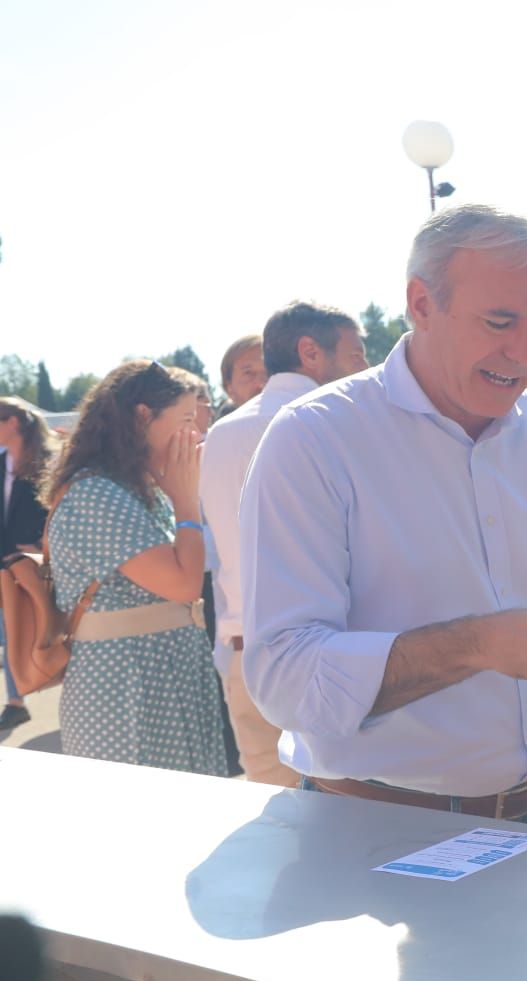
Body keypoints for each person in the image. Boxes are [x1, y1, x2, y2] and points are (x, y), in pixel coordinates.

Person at [240, 204, 527, 825]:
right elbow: (283, 674)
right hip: (374, 825)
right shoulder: (314, 439)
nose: (523, 352)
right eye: (500, 321)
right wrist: (481, 644)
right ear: (421, 304)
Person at [199, 301, 368, 787]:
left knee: (271, 825)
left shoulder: (220, 434)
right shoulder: (342, 422)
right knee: (346, 829)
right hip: (331, 659)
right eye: (357, 355)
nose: (365, 368)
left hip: (244, 656)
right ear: (310, 352)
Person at [44, 360, 226, 775]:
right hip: (126, 684)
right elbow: (184, 585)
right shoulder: (96, 494)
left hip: (160, 675)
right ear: (142, 415)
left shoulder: (136, 488)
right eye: (184, 419)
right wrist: (186, 502)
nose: (194, 433)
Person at [0, 398, 58, 731]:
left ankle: (20, 697)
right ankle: (17, 701)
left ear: (14, 423)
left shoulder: (48, 462)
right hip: (6, 567)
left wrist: (39, 543)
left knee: (46, 629)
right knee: (14, 633)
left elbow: (57, 507)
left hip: (36, 566)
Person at [217, 334, 267, 415]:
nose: (262, 383)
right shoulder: (224, 427)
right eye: (248, 373)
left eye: (268, 372)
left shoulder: (292, 423)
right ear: (229, 387)